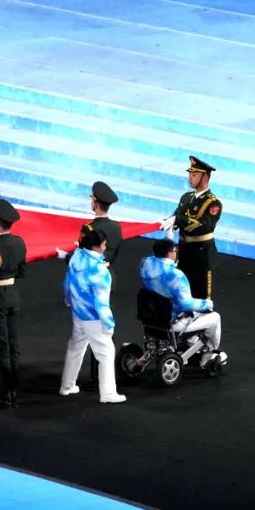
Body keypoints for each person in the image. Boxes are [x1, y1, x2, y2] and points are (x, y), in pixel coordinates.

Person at [59, 228, 127, 403]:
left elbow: (67, 282)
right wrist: (108, 324)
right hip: (93, 317)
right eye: (104, 245)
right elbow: (101, 302)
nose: (105, 248)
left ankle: (67, 386)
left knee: (75, 347)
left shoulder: (76, 256)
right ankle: (108, 393)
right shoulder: (99, 270)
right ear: (96, 246)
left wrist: (69, 300)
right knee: (106, 352)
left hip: (78, 312)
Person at [141, 239, 226, 368]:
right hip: (171, 321)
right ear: (170, 254)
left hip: (150, 317)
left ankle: (192, 342)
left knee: (191, 312)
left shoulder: (145, 265)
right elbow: (186, 304)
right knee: (214, 317)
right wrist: (207, 304)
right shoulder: (176, 275)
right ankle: (208, 355)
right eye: (174, 251)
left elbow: (156, 255)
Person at [0, 199, 27, 407]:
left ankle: (4, 393)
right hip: (13, 295)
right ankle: (14, 390)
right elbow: (22, 272)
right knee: (14, 346)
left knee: (2, 347)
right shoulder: (19, 242)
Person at [161, 156, 223, 300]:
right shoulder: (186, 197)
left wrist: (178, 220)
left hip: (201, 256)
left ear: (205, 177)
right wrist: (167, 222)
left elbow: (204, 226)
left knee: (200, 297)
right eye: (190, 174)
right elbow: (176, 216)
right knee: (181, 294)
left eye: (194, 175)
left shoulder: (213, 203)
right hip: (184, 253)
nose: (190, 178)